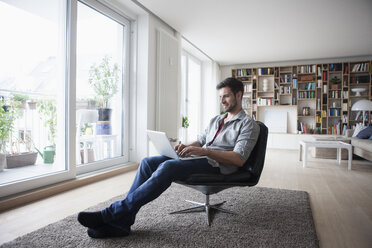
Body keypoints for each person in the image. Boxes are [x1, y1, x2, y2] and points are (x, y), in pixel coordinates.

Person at [77, 77, 260, 238]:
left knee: (168, 167)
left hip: (219, 165)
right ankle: (122, 222)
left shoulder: (248, 124)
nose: (222, 101)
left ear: (238, 95)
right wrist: (186, 147)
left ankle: (111, 214)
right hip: (202, 158)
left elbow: (238, 159)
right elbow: (202, 140)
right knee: (148, 162)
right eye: (220, 97)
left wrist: (204, 151)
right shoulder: (217, 120)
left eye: (226, 96)